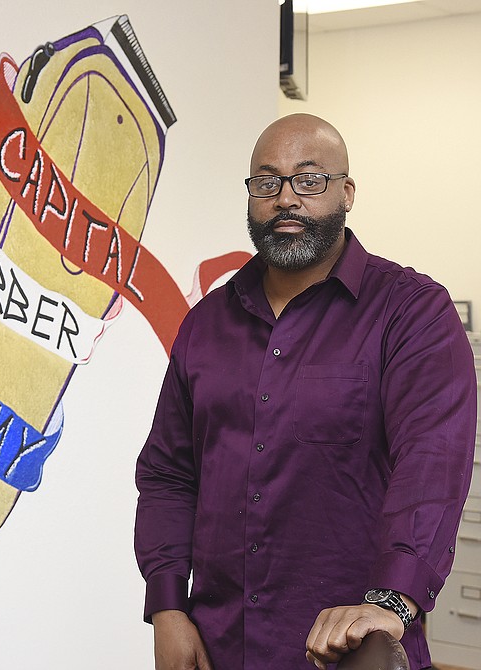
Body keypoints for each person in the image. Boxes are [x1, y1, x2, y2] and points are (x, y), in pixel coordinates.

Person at [134, 113, 476, 670]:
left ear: (347, 191)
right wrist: (168, 606)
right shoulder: (206, 324)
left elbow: (432, 462)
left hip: (353, 651)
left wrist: (393, 599)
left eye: (309, 179)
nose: (286, 198)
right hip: (218, 647)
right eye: (267, 181)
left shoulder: (412, 312)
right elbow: (169, 473)